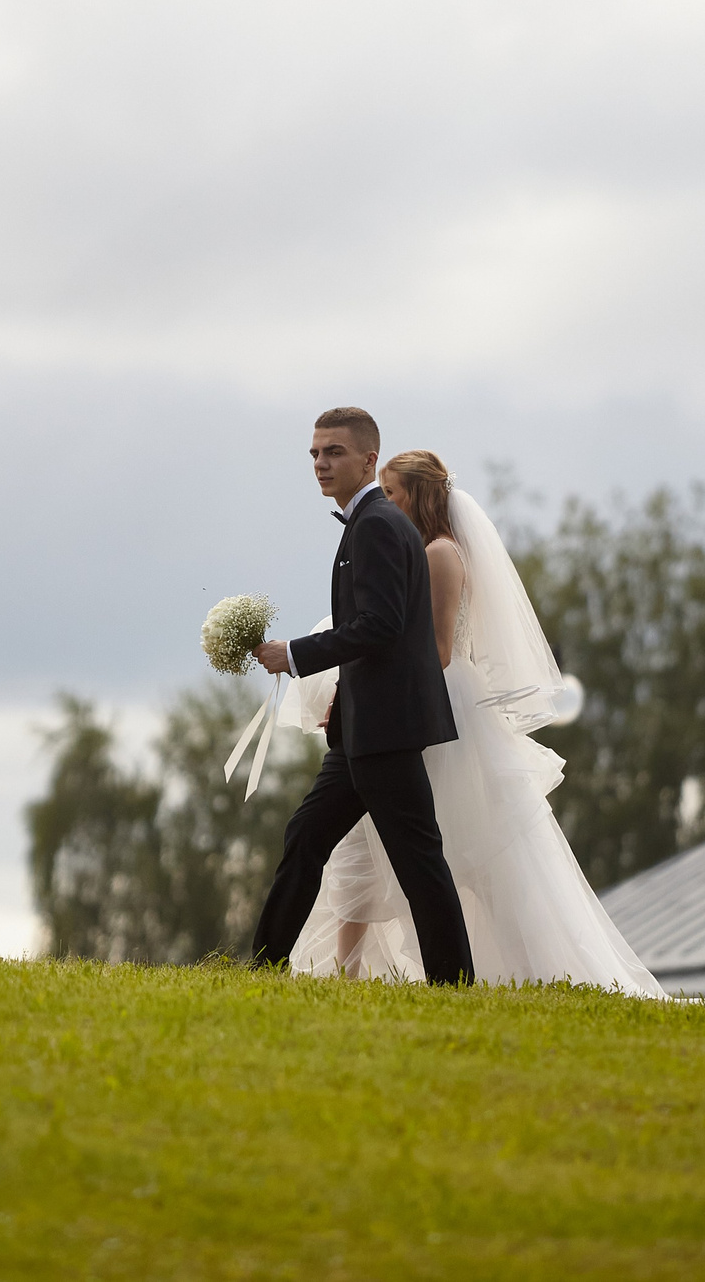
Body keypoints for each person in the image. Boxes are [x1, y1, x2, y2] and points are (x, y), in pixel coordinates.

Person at [280, 449, 670, 995]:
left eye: (392, 492)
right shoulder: (406, 548)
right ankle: (347, 971)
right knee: (361, 843)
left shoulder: (441, 554)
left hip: (435, 706)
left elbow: (437, 649)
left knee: (456, 854)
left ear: (416, 495)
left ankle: (508, 968)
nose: (384, 502)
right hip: (388, 709)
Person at [248, 408, 477, 985]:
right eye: (315, 454)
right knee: (307, 837)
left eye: (335, 452)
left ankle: (454, 982)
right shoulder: (370, 523)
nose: (321, 463)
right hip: (364, 731)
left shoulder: (376, 525)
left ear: (369, 458)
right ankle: (262, 967)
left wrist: (294, 655)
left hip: (387, 731)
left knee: (418, 860)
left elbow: (381, 625)